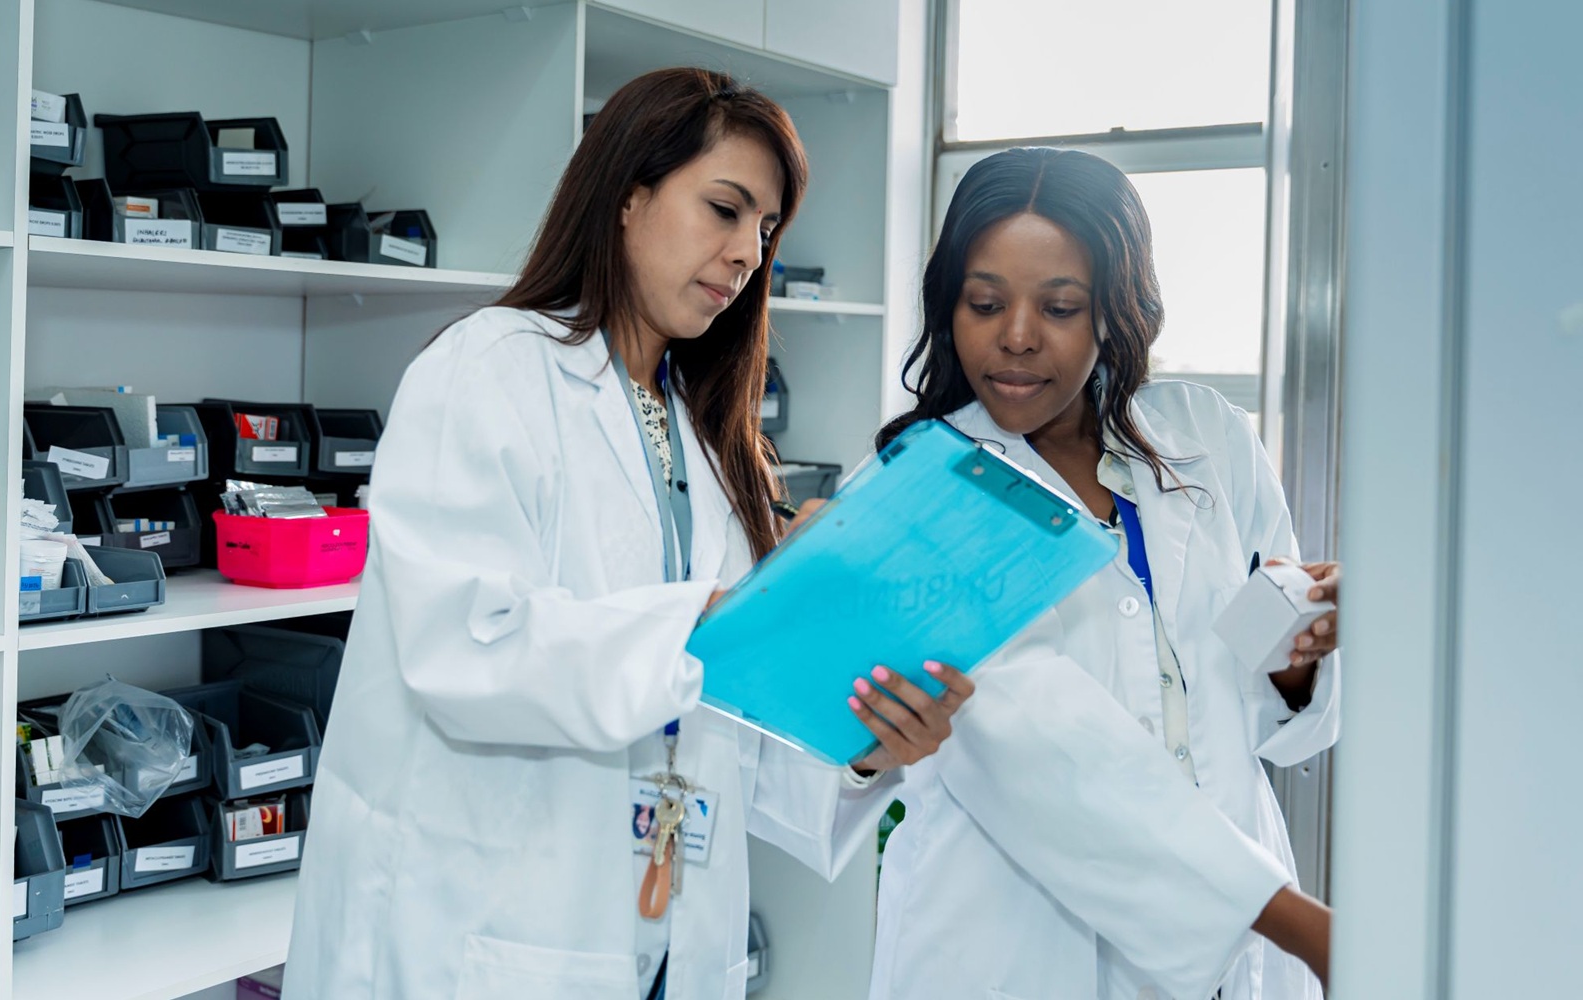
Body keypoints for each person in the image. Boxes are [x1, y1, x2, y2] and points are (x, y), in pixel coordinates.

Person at [281, 67, 971, 1000]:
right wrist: (724, 619)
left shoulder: (703, 429)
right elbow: (468, 648)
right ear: (627, 196)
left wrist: (866, 745)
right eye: (723, 209)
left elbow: (729, 721)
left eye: (765, 231)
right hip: (482, 938)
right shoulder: (486, 372)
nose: (745, 255)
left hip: (659, 937)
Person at [863, 147, 1342, 999]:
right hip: (1008, 948)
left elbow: (1270, 721)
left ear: (1114, 312)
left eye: (1060, 306)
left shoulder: (1209, 437)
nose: (1015, 335)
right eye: (984, 303)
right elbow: (1044, 755)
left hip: (1241, 960)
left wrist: (1298, 664)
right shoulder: (923, 486)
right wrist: (1303, 925)